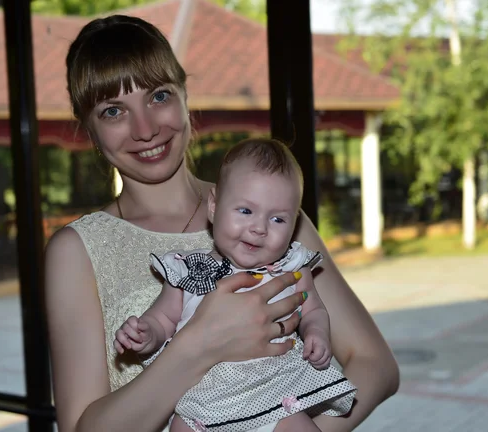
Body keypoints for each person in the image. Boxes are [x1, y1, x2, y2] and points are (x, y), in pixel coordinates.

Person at [45, 14, 399, 432]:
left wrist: (281, 425)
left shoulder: (269, 217)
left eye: (158, 97)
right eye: (113, 110)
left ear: (184, 95)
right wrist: (199, 344)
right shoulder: (78, 250)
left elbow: (374, 364)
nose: (145, 129)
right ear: (88, 126)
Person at [114, 138, 357, 431]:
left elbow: (314, 309)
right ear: (214, 206)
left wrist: (317, 333)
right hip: (200, 399)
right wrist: (145, 333)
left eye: (278, 219)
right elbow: (163, 318)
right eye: (245, 211)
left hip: (275, 396)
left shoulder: (290, 269)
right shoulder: (188, 269)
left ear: (294, 224)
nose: (259, 228)